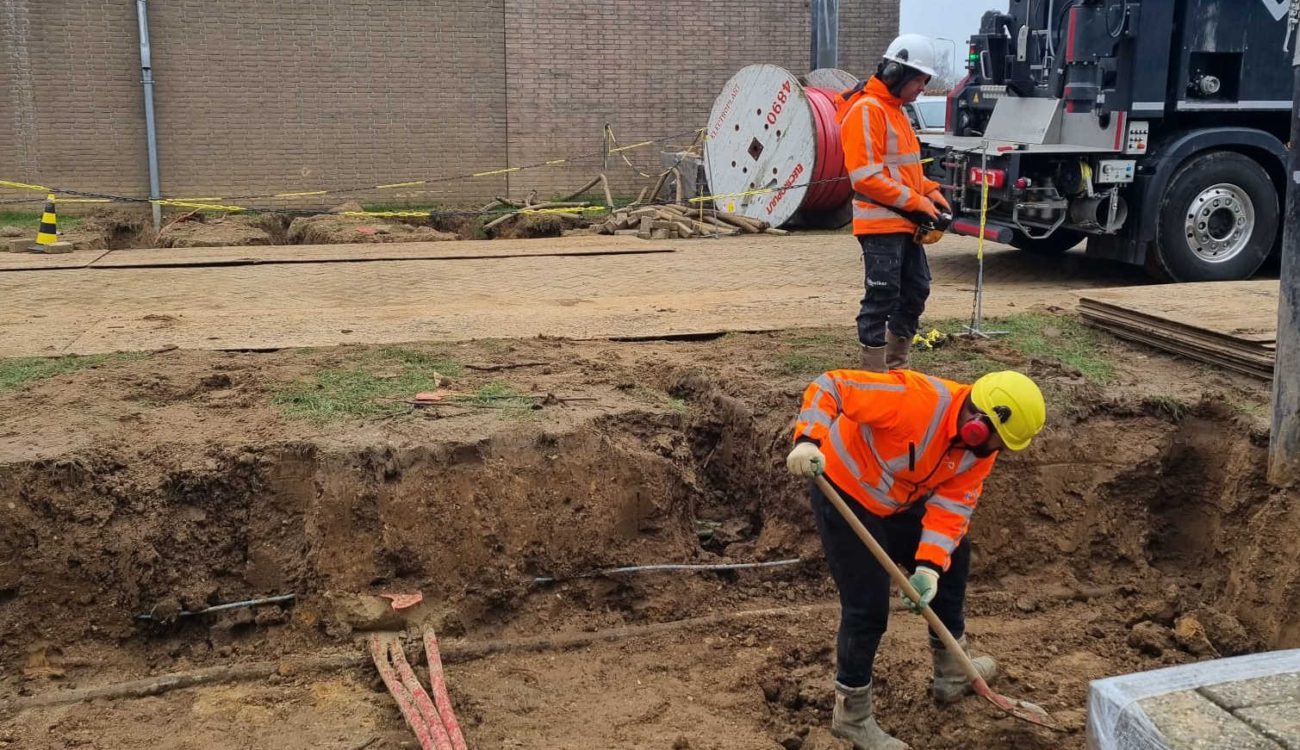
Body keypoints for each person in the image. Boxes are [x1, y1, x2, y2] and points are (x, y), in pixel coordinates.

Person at [785, 368, 1046, 749]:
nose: (996, 451)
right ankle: (851, 716)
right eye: (997, 441)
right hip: (845, 491)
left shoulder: (979, 450)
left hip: (898, 499)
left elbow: (954, 506)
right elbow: (832, 386)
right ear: (978, 422)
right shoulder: (914, 399)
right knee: (867, 608)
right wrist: (809, 440)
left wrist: (929, 567)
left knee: (953, 560)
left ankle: (953, 674)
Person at [837, 34, 951, 372]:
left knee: (916, 291)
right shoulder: (866, 110)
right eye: (919, 80)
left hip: (904, 220)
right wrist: (917, 201)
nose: (922, 89)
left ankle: (896, 366)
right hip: (879, 222)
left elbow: (904, 169)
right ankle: (873, 373)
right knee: (882, 296)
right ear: (896, 74)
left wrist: (929, 190)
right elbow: (865, 177)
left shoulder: (897, 111)